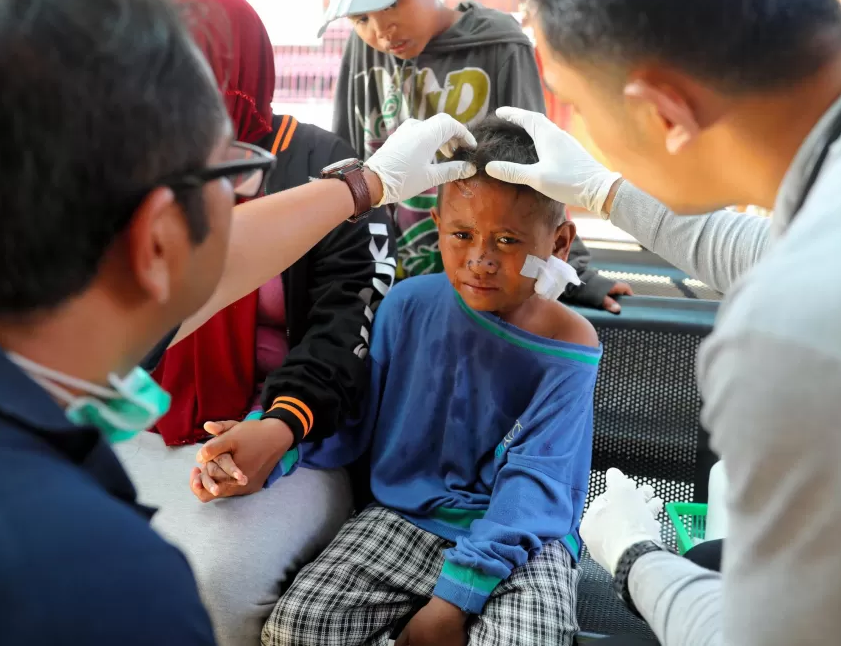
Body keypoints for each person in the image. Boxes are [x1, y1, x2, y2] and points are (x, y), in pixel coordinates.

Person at [0, 0, 474, 645]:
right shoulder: (119, 591)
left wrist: (365, 186)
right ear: (158, 237)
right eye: (230, 172)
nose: (244, 194)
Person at [486, 0, 841, 646]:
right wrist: (603, 188)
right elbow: (782, 244)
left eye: (575, 105)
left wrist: (634, 556)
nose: (576, 127)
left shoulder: (796, 337)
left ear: (664, 113)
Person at [112, 0, 395, 646]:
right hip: (149, 418)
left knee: (213, 579)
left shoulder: (326, 169)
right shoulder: (140, 166)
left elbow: (350, 317)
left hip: (294, 439)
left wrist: (281, 424)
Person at [252, 116, 602, 646]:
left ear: (558, 242)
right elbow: (352, 422)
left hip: (522, 540)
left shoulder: (570, 345)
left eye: (507, 240)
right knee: (296, 628)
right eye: (462, 235)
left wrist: (451, 602)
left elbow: (536, 488)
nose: (480, 260)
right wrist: (272, 442)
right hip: (407, 516)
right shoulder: (406, 306)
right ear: (437, 224)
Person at [321, 0, 630, 310]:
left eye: (393, 3)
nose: (381, 30)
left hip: (485, 277)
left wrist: (576, 274)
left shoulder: (500, 45)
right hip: (389, 284)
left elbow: (537, 162)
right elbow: (347, 156)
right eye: (360, 18)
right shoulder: (362, 51)